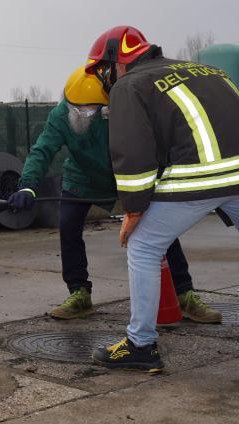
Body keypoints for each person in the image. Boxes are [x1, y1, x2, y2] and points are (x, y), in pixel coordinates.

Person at [8, 66, 221, 323]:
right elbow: (42, 150)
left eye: (87, 109)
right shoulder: (61, 115)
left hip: (128, 177)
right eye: (74, 106)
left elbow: (154, 144)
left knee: (161, 229)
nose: (79, 112)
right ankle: (79, 294)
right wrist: (27, 185)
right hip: (81, 179)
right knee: (68, 226)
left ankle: (184, 294)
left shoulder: (123, 112)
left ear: (104, 106)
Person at [85, 25, 239, 371]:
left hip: (200, 177)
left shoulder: (130, 85)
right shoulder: (209, 71)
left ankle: (140, 344)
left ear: (115, 62)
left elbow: (133, 153)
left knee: (143, 246)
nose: (103, 79)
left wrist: (134, 209)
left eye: (101, 70)